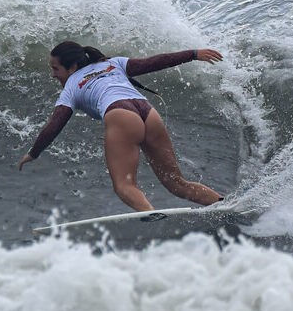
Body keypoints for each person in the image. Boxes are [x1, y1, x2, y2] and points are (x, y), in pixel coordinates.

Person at [18, 41, 226, 211]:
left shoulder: (72, 85)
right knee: (178, 183)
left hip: (121, 116)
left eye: (56, 68)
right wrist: (194, 53)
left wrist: (34, 153)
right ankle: (223, 205)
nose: (53, 74)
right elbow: (153, 62)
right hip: (148, 113)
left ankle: (152, 217)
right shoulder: (113, 63)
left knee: (124, 186)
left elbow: (55, 124)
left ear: (72, 68)